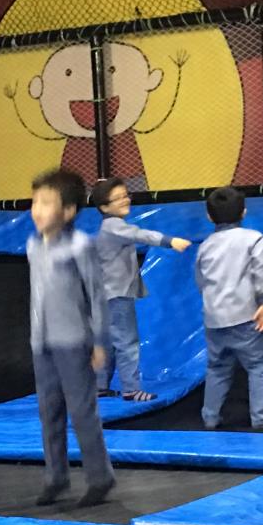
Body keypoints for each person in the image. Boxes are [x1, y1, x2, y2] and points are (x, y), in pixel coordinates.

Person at [26, 169, 116, 506]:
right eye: (35, 202)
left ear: (68, 211)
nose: (37, 210)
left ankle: (100, 477)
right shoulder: (33, 246)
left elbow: (97, 295)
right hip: (43, 343)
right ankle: (56, 477)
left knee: (81, 412)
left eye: (46, 203)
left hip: (73, 342)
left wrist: (99, 341)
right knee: (48, 411)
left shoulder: (80, 246)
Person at [88, 178, 190, 401]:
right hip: (116, 294)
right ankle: (131, 389)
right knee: (127, 342)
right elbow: (140, 234)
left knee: (108, 342)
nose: (125, 200)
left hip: (105, 294)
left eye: (126, 195)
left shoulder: (108, 227)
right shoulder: (115, 227)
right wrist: (169, 241)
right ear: (104, 207)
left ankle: (99, 385)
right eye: (118, 198)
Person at [193, 187, 263, 431]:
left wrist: (213, 304)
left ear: (209, 216)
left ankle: (210, 417)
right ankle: (261, 417)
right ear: (243, 212)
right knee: (259, 365)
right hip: (245, 316)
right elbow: (262, 271)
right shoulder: (253, 238)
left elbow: (200, 280)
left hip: (214, 319)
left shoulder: (205, 245)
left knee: (217, 368)